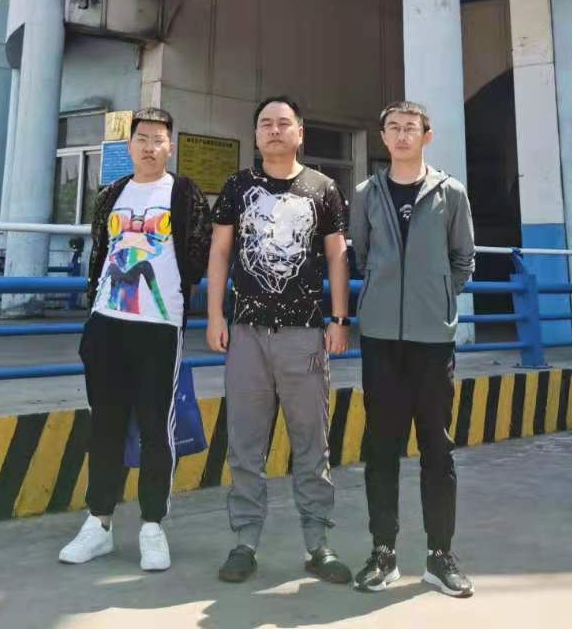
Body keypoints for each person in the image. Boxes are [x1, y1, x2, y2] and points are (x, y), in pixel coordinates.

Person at [59, 108, 212, 572]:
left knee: (154, 428)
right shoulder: (112, 194)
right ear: (129, 146)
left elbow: (198, 255)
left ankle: (152, 526)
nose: (149, 147)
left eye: (158, 139)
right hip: (107, 323)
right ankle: (99, 523)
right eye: (142, 138)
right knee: (105, 425)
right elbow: (100, 254)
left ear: (170, 147)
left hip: (159, 327)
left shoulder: (183, 193)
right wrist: (92, 317)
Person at [206, 97, 352, 585]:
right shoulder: (236, 186)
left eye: (283, 123)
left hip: (305, 333)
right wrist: (214, 315)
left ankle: (318, 543)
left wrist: (338, 318)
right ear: (255, 134)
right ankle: (245, 541)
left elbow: (337, 257)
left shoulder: (323, 188)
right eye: (265, 123)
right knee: (245, 441)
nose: (274, 130)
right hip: (246, 332)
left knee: (312, 440)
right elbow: (220, 251)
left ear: (300, 133)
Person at [348, 100, 476, 598]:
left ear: (427, 135)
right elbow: (362, 255)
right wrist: (384, 297)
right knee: (381, 447)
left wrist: (436, 299)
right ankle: (383, 552)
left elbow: (463, 259)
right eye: (393, 128)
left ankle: (440, 556)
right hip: (380, 339)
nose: (402, 135)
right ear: (383, 136)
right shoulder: (365, 193)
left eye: (411, 128)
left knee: (436, 448)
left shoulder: (451, 193)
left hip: (432, 340)